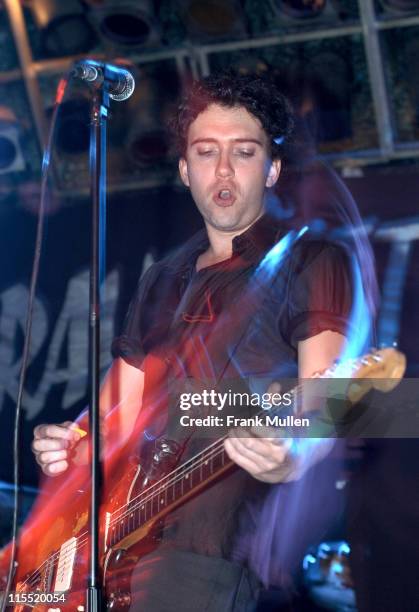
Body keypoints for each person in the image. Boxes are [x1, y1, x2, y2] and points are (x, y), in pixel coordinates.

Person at [31, 72, 361, 611]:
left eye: (245, 152)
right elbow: (118, 409)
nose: (224, 169)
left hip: (207, 549)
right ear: (185, 170)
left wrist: (295, 452)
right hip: (117, 539)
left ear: (273, 169)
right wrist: (72, 439)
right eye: (206, 152)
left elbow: (332, 394)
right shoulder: (163, 278)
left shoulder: (311, 261)